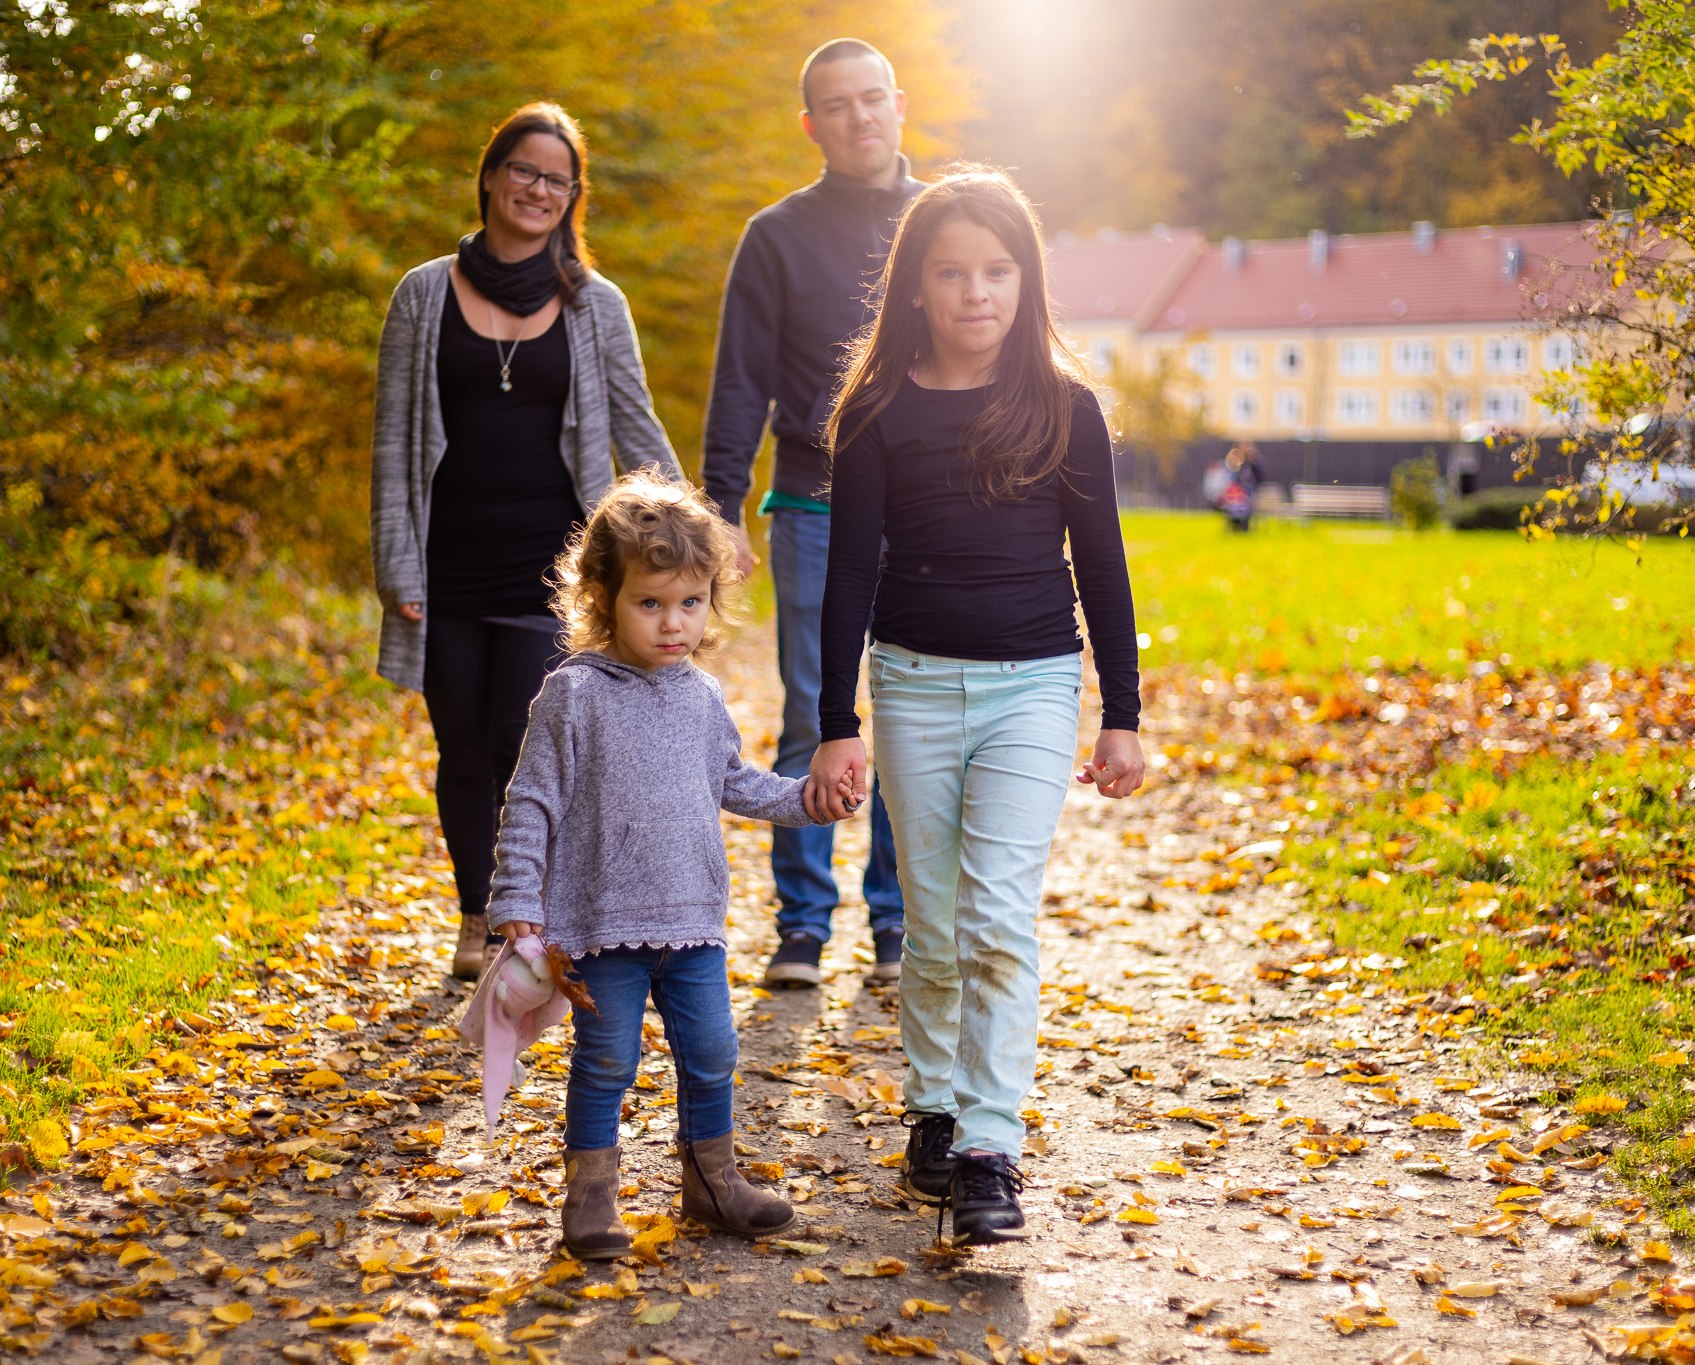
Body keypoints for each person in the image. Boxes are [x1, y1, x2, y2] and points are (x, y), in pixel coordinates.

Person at [806, 169, 1147, 1247]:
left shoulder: (1065, 408)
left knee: (998, 916)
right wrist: (835, 719)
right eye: (950, 273)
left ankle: (989, 1147)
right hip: (909, 682)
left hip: (1033, 686)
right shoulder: (874, 413)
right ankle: (934, 1107)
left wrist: (1120, 711)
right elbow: (847, 572)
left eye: (996, 272)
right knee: (934, 921)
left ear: (1024, 281)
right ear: (914, 286)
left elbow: (1102, 566)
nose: (974, 294)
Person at [484, 473, 854, 1259]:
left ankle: (711, 1181)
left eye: (689, 602)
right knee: (609, 1057)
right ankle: (590, 1195)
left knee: (715, 1051)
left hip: (690, 920)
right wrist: (515, 893)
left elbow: (735, 782)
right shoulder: (572, 695)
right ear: (603, 598)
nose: (672, 622)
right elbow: (531, 802)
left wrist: (807, 801)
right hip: (600, 924)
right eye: (650, 603)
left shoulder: (701, 694)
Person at [369, 102, 681, 982]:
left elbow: (634, 423)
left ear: (572, 195)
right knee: (462, 749)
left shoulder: (594, 303)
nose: (538, 189)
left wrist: (678, 532)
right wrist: (396, 563)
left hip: (554, 571)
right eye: (525, 171)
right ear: (491, 175)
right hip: (445, 567)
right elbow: (392, 441)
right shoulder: (423, 294)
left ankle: (525, 917)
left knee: (524, 743)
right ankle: (476, 914)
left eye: (557, 179)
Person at [701, 38, 916, 989]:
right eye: (838, 105)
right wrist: (719, 507)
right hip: (813, 505)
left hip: (930, 510)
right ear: (812, 125)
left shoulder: (939, 220)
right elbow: (741, 380)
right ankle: (801, 924)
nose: (859, 117)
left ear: (898, 104)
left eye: (873, 99)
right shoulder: (775, 235)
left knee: (912, 713)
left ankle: (899, 923)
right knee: (812, 709)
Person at [1218, 443, 1263, 532]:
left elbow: (1256, 479)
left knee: (1243, 506)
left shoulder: (1248, 468)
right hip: (1231, 498)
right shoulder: (1227, 472)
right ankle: (1233, 526)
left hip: (1243, 497)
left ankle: (1242, 526)